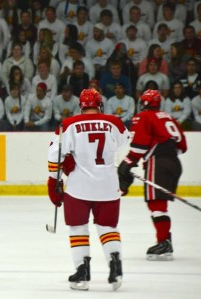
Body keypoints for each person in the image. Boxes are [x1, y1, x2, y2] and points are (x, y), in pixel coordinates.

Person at [47, 88, 129, 291]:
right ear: (99, 105)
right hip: (109, 186)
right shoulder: (114, 122)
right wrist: (125, 174)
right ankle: (115, 264)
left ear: (81, 107)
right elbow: (129, 147)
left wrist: (54, 183)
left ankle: (82, 272)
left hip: (79, 187)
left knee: (78, 227)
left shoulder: (68, 125)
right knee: (108, 227)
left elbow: (54, 155)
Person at [118, 89, 187, 261]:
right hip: (174, 163)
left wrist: (127, 162)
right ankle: (166, 241)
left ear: (144, 103)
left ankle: (163, 243)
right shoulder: (168, 117)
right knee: (159, 204)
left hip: (158, 162)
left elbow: (139, 145)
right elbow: (182, 146)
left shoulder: (143, 116)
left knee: (156, 204)